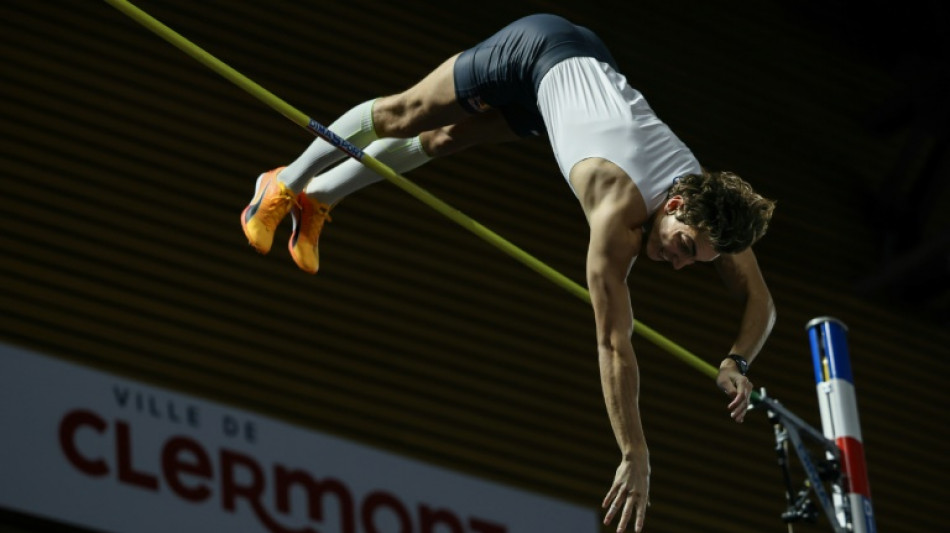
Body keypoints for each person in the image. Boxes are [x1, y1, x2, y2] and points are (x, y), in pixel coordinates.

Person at [240, 13, 776, 533]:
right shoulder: (615, 216)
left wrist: (737, 361)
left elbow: (761, 300)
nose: (679, 262)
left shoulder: (709, 209)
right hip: (537, 50)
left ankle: (318, 200)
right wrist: (634, 452)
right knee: (408, 114)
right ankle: (284, 181)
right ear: (676, 202)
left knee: (449, 138)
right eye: (682, 247)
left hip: (576, 80)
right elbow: (615, 344)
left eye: (694, 262)